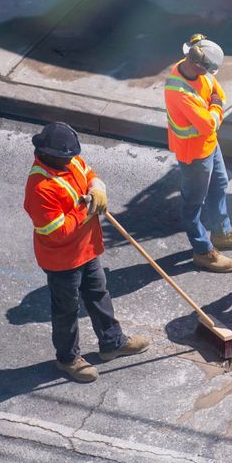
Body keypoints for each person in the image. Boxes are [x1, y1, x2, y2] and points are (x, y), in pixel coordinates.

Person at [24, 121, 148, 382]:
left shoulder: (70, 161)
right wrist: (87, 207)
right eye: (67, 158)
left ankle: (112, 342)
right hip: (62, 261)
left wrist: (97, 187)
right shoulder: (40, 188)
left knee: (98, 294)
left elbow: (89, 172)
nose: (73, 161)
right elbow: (57, 231)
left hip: (86, 249)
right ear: (50, 154)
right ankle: (68, 359)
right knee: (66, 310)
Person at [164, 34, 232, 273]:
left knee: (219, 185)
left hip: (209, 145)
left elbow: (218, 94)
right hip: (194, 154)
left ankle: (222, 233)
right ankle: (203, 251)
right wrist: (215, 108)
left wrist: (215, 108)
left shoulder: (195, 70)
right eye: (208, 71)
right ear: (197, 64)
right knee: (193, 204)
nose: (210, 76)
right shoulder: (179, 91)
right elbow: (210, 122)